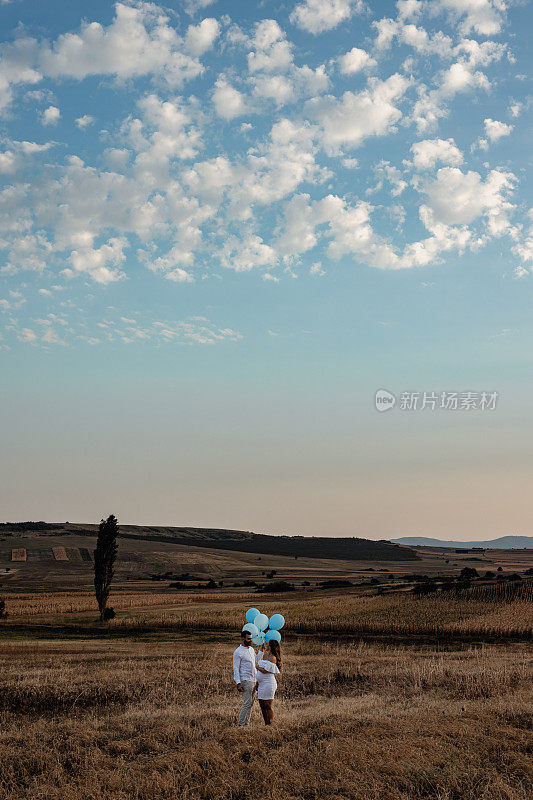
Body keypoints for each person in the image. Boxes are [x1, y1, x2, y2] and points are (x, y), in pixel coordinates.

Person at [233, 629, 257, 726]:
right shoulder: (238, 652)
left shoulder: (251, 649)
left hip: (254, 679)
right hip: (246, 680)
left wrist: (262, 651)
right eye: (248, 639)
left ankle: (246, 724)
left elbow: (256, 660)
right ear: (242, 638)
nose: (250, 640)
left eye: (251, 639)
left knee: (251, 704)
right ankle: (240, 724)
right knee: (247, 703)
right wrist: (238, 683)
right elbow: (236, 668)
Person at [255, 639, 281, 725]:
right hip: (261, 684)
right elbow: (257, 660)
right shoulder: (265, 655)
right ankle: (266, 723)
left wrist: (256, 667)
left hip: (268, 684)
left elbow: (265, 671)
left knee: (268, 705)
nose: (266, 645)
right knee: (262, 704)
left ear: (270, 647)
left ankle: (271, 724)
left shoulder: (273, 658)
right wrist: (257, 683)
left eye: (267, 644)